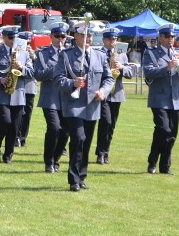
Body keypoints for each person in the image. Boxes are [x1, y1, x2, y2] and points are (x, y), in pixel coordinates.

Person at [54, 21, 113, 192]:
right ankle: (73, 179)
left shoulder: (100, 56)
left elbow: (108, 78)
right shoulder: (66, 55)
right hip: (73, 105)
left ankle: (82, 176)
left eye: (91, 35)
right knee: (78, 138)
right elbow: (58, 79)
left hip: (92, 105)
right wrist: (73, 82)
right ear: (76, 36)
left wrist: (104, 91)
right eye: (84, 35)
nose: (88, 38)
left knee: (86, 142)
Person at [142, 23, 179, 175]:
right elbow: (148, 72)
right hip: (159, 98)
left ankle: (165, 166)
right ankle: (153, 161)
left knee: (172, 134)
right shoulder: (151, 53)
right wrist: (167, 68)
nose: (170, 39)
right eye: (167, 36)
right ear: (160, 37)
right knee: (163, 129)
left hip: (176, 99)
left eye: (172, 36)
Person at [0, 25, 35, 164]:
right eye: (11, 37)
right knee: (4, 122)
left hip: (18, 94)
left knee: (14, 126)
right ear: (4, 37)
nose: (13, 40)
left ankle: (8, 154)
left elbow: (31, 73)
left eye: (15, 37)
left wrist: (21, 68)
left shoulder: (23, 53)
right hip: (2, 93)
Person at [94, 27, 134, 165]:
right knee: (106, 121)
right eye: (110, 39)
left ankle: (105, 152)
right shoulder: (98, 53)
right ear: (104, 40)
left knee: (111, 125)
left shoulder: (121, 54)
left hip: (116, 93)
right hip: (103, 92)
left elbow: (130, 72)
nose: (112, 41)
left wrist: (121, 67)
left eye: (115, 39)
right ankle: (100, 152)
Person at [34, 22, 69, 173]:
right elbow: (38, 75)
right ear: (51, 36)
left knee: (65, 131)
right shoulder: (42, 54)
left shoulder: (70, 53)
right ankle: (48, 161)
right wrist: (56, 68)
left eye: (62, 36)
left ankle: (56, 159)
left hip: (67, 97)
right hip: (50, 98)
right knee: (54, 128)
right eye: (56, 36)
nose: (59, 39)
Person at [16, 31, 36, 147]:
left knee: (27, 114)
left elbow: (37, 69)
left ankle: (23, 137)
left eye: (29, 41)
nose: (27, 44)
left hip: (30, 87)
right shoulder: (17, 52)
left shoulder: (33, 53)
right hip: (19, 86)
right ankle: (16, 136)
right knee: (19, 113)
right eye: (25, 41)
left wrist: (33, 55)